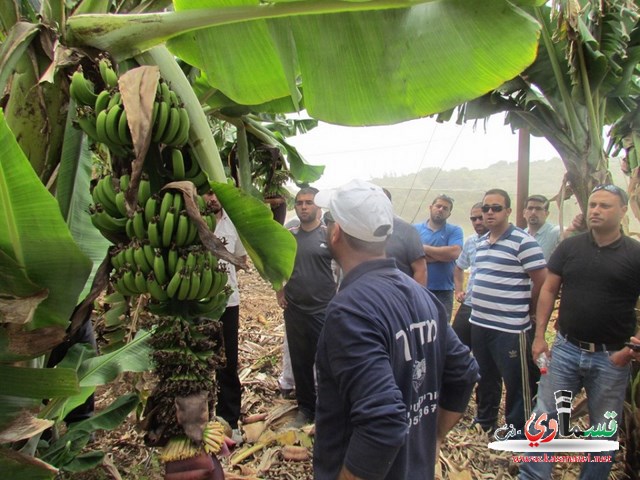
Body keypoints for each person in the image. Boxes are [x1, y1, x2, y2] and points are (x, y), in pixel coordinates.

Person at [313, 179, 479, 480]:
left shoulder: (349, 310)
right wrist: (433, 440)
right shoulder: (423, 297)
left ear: (336, 232)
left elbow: (383, 421)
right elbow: (464, 372)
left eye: (329, 221)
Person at [519, 184, 640, 480]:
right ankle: (533, 476)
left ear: (624, 211)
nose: (596, 210)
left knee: (602, 426)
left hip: (611, 357)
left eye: (605, 206)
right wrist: (539, 337)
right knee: (545, 415)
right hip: (565, 350)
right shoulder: (570, 247)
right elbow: (549, 288)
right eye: (593, 205)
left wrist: (631, 350)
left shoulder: (634, 254)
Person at [469, 189, 547, 434]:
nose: (489, 212)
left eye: (496, 208)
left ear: (509, 212)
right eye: (486, 208)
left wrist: (531, 311)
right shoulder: (480, 244)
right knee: (485, 376)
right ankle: (485, 420)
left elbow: (542, 282)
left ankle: (517, 429)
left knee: (516, 383)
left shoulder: (524, 242)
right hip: (480, 322)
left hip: (510, 328)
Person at [276, 187, 337, 426]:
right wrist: (279, 291)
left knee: (326, 361)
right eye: (300, 202)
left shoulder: (329, 235)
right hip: (295, 309)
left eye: (309, 202)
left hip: (324, 309)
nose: (303, 207)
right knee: (300, 362)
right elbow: (278, 265)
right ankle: (306, 409)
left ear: (318, 206)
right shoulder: (289, 234)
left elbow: (343, 267)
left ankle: (328, 409)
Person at [202, 191, 248, 444]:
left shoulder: (233, 222)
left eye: (215, 192)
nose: (211, 198)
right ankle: (198, 420)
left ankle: (229, 421)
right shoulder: (192, 219)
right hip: (199, 301)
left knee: (228, 362)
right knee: (199, 361)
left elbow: (240, 258)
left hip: (229, 302)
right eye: (206, 193)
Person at [414, 194, 464, 319]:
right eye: (438, 206)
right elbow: (410, 255)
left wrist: (423, 248)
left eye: (445, 208)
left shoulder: (455, 230)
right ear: (431, 207)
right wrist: (442, 256)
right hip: (418, 287)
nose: (441, 209)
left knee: (442, 328)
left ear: (449, 214)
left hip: (444, 290)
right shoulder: (414, 229)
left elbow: (455, 253)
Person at [452, 202, 488, 348]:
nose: (477, 222)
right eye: (474, 219)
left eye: (480, 217)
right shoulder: (471, 241)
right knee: (455, 346)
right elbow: (459, 267)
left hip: (492, 309)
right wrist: (459, 290)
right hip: (470, 304)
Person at [382, 188, 427, 285]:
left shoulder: (407, 230)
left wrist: (416, 298)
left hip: (399, 294)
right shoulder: (359, 230)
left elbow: (420, 270)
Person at [523, 195, 561, 260]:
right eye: (530, 208)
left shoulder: (556, 232)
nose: (533, 212)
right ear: (524, 213)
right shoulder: (522, 234)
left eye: (538, 209)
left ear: (546, 213)